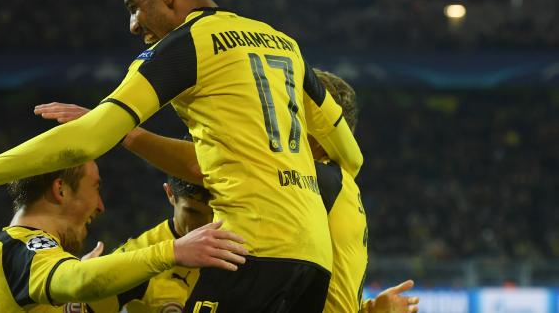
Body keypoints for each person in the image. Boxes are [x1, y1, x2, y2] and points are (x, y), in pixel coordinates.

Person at [0, 0, 362, 311]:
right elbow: (350, 154)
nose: (132, 24)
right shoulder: (283, 43)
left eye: (134, 5)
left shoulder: (187, 45)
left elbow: (84, 142)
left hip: (246, 250)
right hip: (313, 258)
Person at [33, 70, 418, 313]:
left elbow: (200, 165)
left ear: (317, 133)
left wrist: (119, 128)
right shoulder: (335, 192)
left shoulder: (314, 180)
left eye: (291, 113)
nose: (278, 123)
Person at [0, 158, 247, 312]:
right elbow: (77, 280)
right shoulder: (25, 250)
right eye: (95, 188)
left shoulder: (3, 251)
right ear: (61, 190)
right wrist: (172, 251)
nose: (101, 206)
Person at [88, 175, 213, 313]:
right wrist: (86, 282)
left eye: (216, 212)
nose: (207, 224)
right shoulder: (136, 256)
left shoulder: (238, 244)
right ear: (170, 193)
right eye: (193, 212)